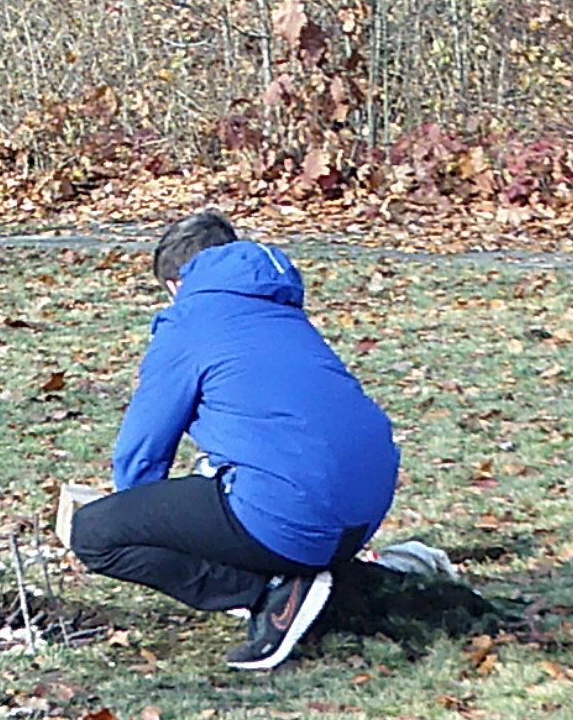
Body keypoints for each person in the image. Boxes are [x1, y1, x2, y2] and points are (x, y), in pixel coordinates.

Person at [58, 210, 402, 673]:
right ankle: (306, 572)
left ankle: (269, 595)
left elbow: (142, 453)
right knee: (217, 477)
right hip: (363, 516)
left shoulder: (187, 323)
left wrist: (139, 517)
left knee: (94, 533)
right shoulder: (280, 310)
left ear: (176, 284)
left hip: (296, 518)